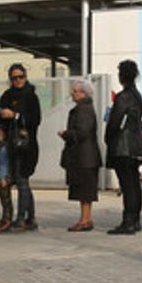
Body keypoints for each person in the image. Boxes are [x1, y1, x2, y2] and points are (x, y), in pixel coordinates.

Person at [0, 64, 41, 232]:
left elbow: (35, 120)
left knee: (22, 181)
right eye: (14, 78)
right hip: (11, 143)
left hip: (26, 145)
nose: (18, 80)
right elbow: (1, 116)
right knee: (22, 181)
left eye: (20, 77)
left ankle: (21, 218)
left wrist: (16, 115)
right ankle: (30, 218)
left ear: (25, 77)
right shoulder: (8, 95)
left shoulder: (31, 96)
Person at [104, 60, 142, 235]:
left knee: (127, 184)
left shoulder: (123, 97)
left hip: (123, 146)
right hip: (136, 144)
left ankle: (128, 221)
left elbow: (115, 122)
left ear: (121, 76)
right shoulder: (138, 96)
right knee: (134, 184)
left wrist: (108, 137)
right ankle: (135, 220)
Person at [59, 78, 102, 232]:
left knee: (85, 191)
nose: (72, 93)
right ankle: (86, 219)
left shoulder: (83, 109)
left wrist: (67, 134)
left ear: (83, 93)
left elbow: (82, 132)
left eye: (75, 91)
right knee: (85, 190)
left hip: (84, 156)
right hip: (86, 156)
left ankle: (84, 220)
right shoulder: (85, 108)